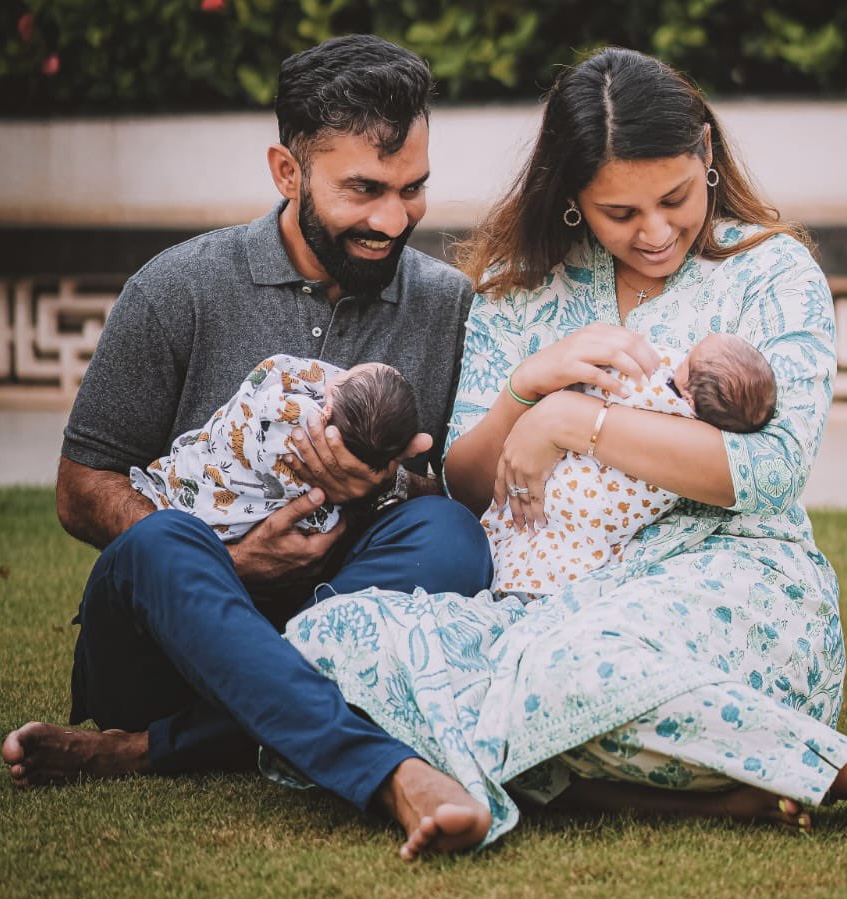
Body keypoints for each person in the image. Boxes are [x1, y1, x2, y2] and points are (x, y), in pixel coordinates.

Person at [269, 47, 847, 852]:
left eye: (674, 198)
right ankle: (647, 789)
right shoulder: (519, 286)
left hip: (727, 582)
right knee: (333, 640)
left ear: (707, 159)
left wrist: (572, 421)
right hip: (536, 603)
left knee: (568, 670)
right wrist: (523, 391)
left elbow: (767, 470)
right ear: (573, 196)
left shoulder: (770, 274)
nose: (653, 233)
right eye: (620, 212)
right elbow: (467, 494)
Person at [2, 34, 496, 859]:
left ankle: (153, 749)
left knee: (450, 534)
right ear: (286, 172)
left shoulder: (446, 304)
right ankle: (389, 772)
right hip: (164, 647)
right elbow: (79, 485)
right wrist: (226, 564)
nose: (392, 218)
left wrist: (385, 485)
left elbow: (444, 488)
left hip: (336, 613)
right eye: (363, 190)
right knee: (163, 540)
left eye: (412, 190)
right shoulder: (177, 286)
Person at [485, 332, 776, 597]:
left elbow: (618, 384)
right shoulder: (705, 409)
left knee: (552, 527)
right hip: (621, 530)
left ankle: (527, 581)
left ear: (687, 395)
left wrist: (567, 405)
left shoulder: (662, 398)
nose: (678, 357)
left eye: (686, 360)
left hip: (595, 500)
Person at [131, 354, 420, 542]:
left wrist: (393, 484)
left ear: (328, 407)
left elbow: (266, 392)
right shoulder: (365, 437)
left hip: (206, 506)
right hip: (214, 539)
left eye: (345, 376)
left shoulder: (296, 414)